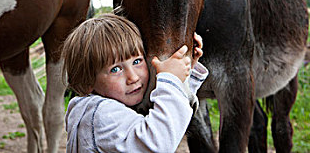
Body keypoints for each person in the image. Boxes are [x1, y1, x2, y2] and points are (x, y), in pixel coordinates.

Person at [62, 13, 208, 152]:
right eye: (116, 69)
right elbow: (158, 143)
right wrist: (171, 80)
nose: (133, 77)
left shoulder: (94, 110)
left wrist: (186, 70)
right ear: (87, 82)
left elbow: (171, 124)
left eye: (137, 61)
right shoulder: (102, 116)